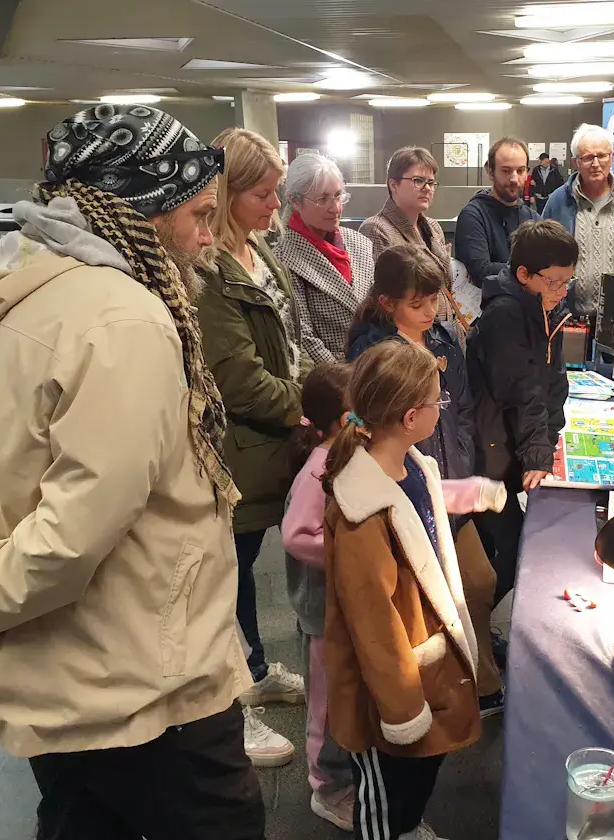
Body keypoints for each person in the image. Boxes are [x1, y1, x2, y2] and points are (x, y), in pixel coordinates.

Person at [0, 104, 265, 838]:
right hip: (141, 686)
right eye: (195, 214)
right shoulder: (122, 319)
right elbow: (74, 532)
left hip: (47, 674)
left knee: (79, 819)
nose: (205, 236)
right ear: (139, 211)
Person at [322, 340, 507, 840]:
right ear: (409, 417)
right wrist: (401, 711)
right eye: (437, 403)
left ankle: (406, 826)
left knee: (420, 773)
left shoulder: (414, 465)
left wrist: (478, 492)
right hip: (388, 693)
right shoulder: (362, 512)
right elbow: (374, 627)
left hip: (423, 658)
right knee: (387, 792)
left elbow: (422, 510)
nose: (441, 409)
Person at [347, 244, 505, 717]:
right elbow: (380, 430)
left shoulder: (438, 337)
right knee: (437, 597)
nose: (430, 311)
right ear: (387, 302)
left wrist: (466, 462)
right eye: (417, 303)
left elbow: (462, 407)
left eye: (435, 299)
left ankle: (477, 674)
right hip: (406, 490)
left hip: (446, 481)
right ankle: (462, 686)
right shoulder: (375, 353)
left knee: (477, 582)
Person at [194, 127, 310, 768]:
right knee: (220, 583)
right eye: (263, 194)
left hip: (269, 446)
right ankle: (229, 710)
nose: (275, 206)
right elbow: (239, 380)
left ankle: (256, 669)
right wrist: (311, 407)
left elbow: (287, 340)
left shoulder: (257, 251)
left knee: (240, 574)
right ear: (226, 193)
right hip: (237, 450)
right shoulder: (209, 272)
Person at [468, 219, 577, 604]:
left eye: (568, 282)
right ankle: (469, 630)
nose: (561, 291)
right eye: (554, 281)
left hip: (510, 444)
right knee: (512, 551)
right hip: (489, 451)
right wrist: (538, 451)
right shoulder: (506, 315)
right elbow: (523, 389)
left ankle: (471, 628)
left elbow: (552, 382)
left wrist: (549, 437)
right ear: (523, 274)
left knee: (490, 548)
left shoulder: (546, 307)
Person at [281, 362, 357, 832]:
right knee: (327, 704)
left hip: (341, 605)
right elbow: (296, 536)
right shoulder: (317, 470)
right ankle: (327, 787)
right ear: (344, 419)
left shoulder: (344, 456)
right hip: (321, 611)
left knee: (344, 693)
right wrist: (350, 552)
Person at [359, 146, 468, 344]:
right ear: (393, 185)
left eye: (431, 183)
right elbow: (383, 298)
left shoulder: (433, 227)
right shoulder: (376, 229)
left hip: (445, 332)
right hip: (410, 339)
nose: (427, 188)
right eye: (418, 181)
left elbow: (444, 284)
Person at [542, 123, 614, 318]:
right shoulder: (558, 202)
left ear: (612, 157)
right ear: (575, 162)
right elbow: (542, 254)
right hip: (567, 316)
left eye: (602, 155)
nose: (596, 163)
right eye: (587, 157)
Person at [275, 152, 374, 364]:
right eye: (322, 199)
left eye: (339, 196)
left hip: (377, 367)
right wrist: (345, 381)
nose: (335, 208)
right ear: (295, 200)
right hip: (331, 378)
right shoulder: (283, 258)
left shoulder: (360, 243)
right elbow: (304, 338)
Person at [454, 137, 537, 289]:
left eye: (520, 170)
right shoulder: (473, 216)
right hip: (489, 310)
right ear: (490, 172)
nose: (514, 178)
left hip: (526, 310)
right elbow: (481, 272)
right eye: (506, 170)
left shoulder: (532, 218)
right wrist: (531, 273)